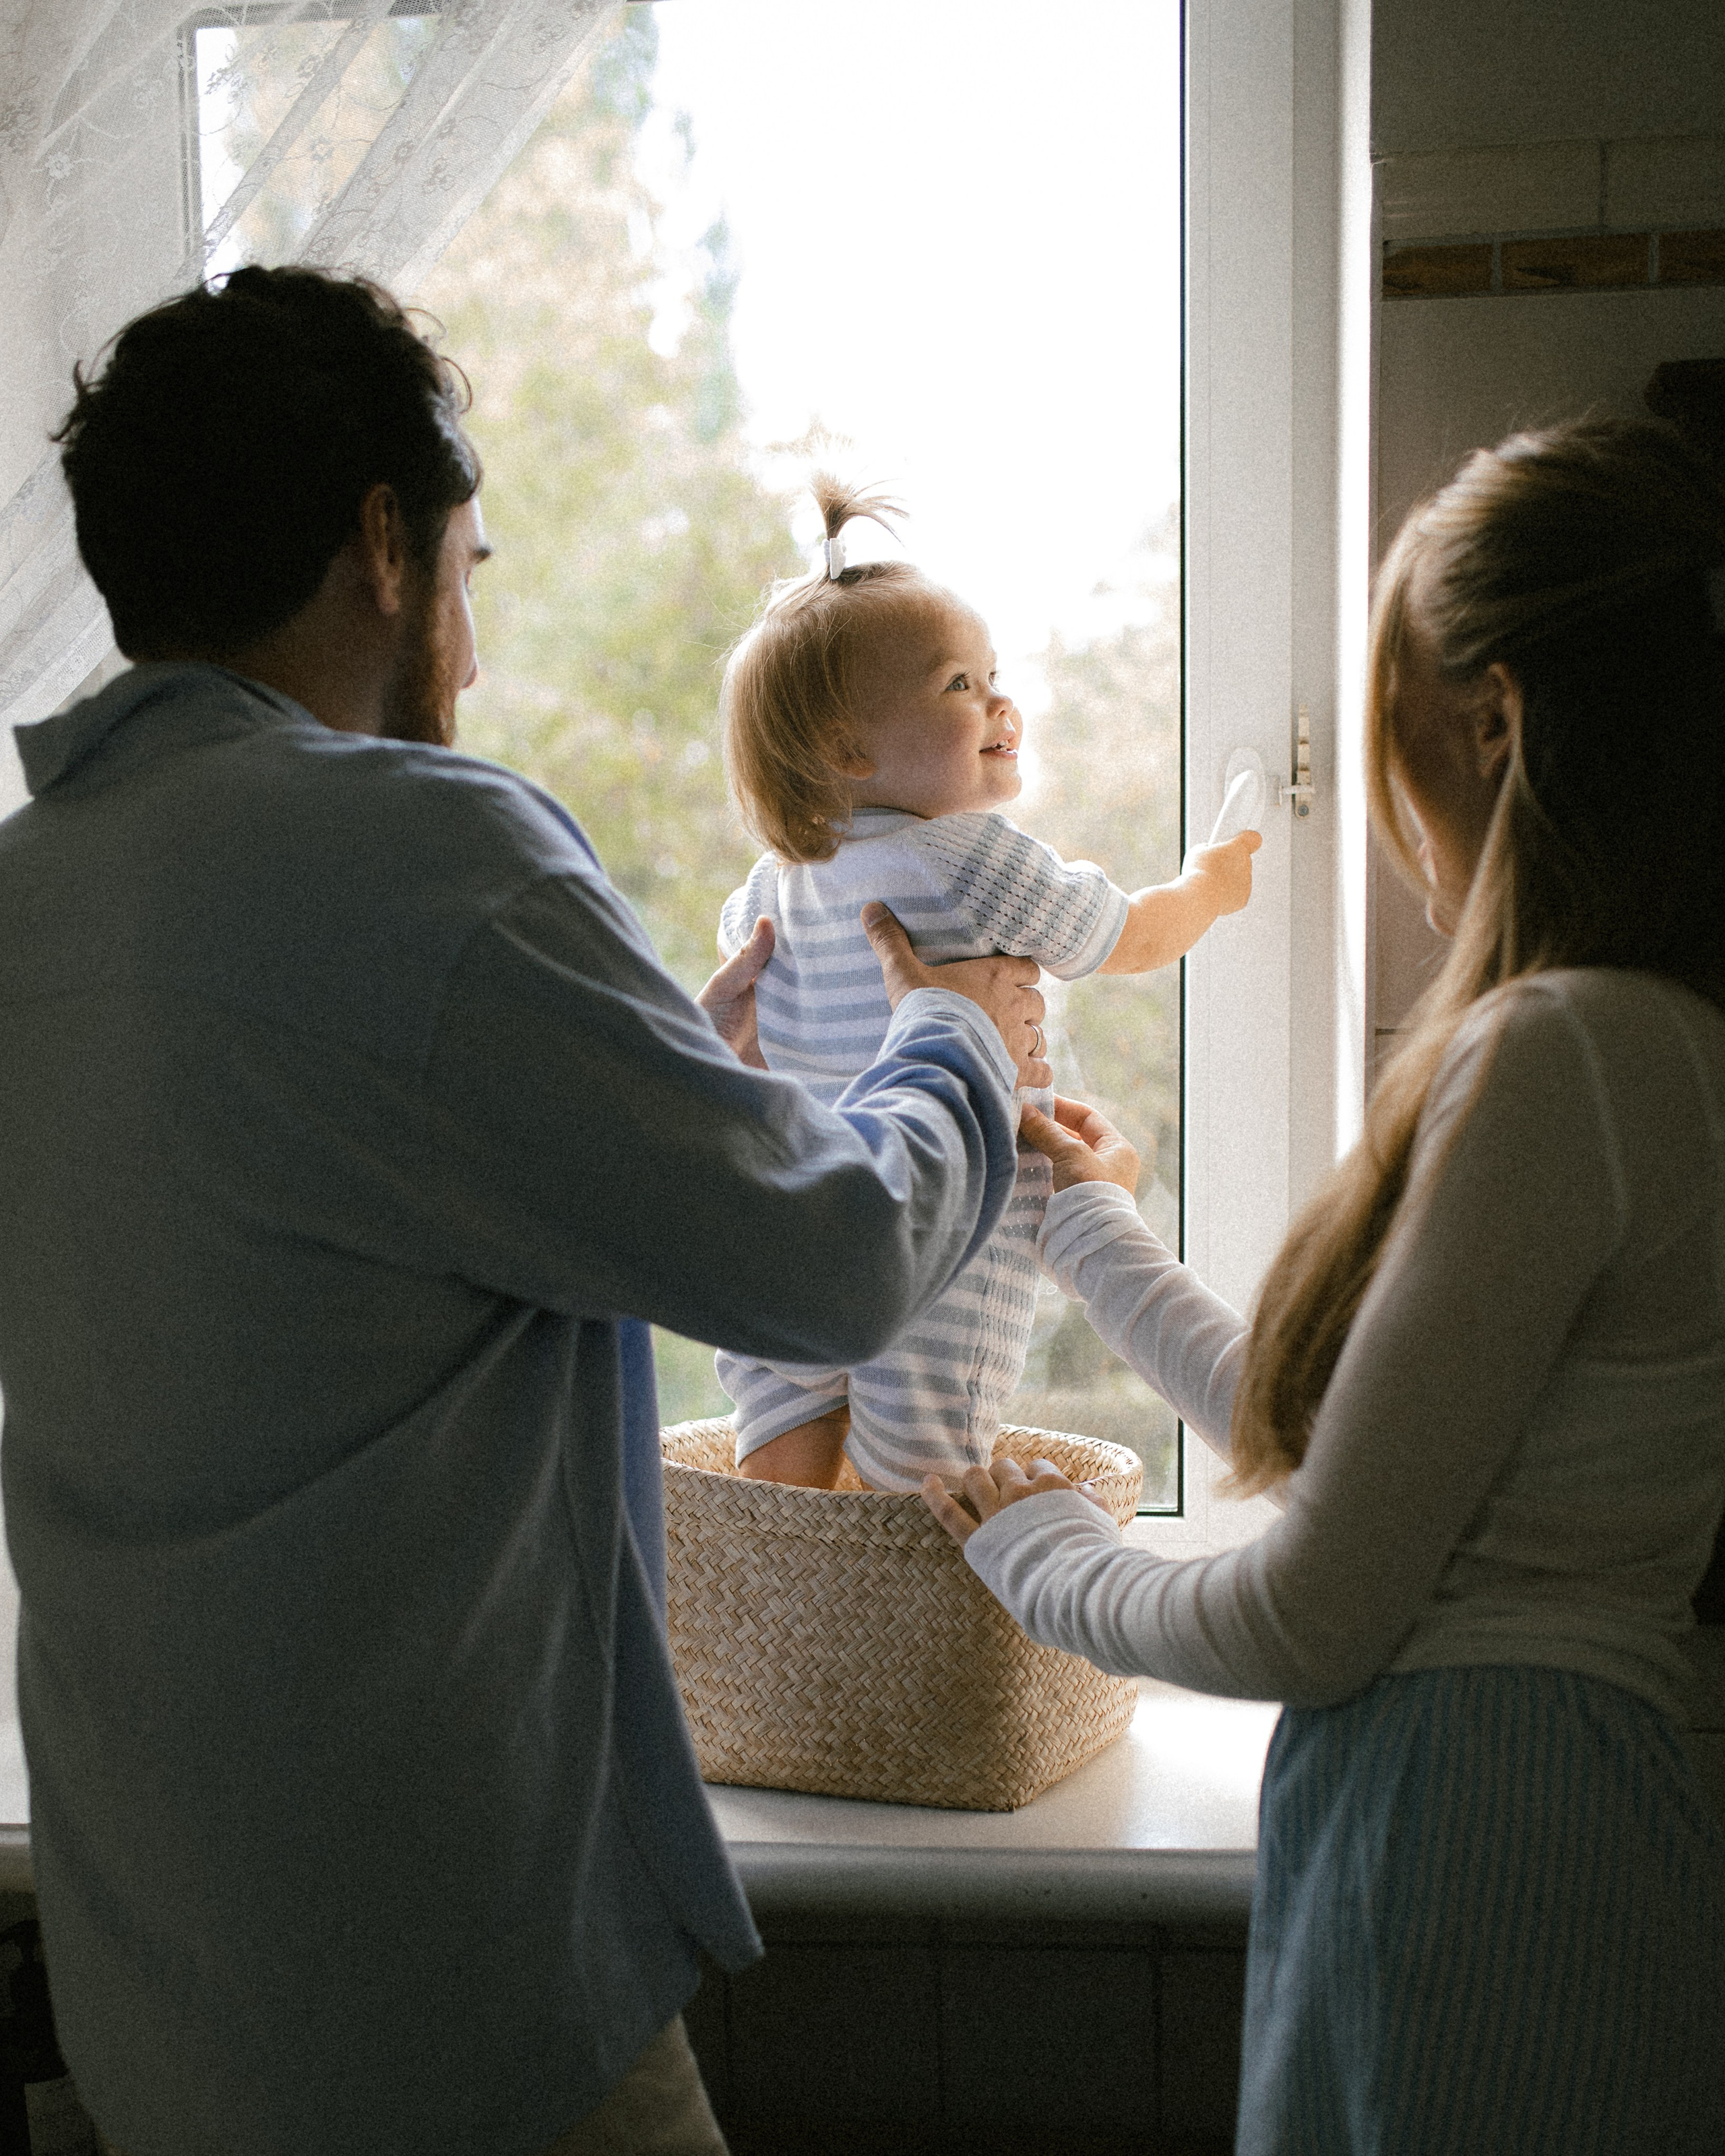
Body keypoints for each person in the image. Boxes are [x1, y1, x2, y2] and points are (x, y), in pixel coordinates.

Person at [0, 266, 1052, 2156]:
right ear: (385, 547)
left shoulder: (31, 900)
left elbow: (286, 1242)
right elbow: (828, 1268)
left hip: (155, 1994)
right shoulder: (430, 858)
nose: (469, 652)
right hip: (444, 2008)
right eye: (471, 571)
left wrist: (659, 1072)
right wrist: (957, 1040)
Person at [925, 420, 1725, 2153]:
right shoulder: (1653, 1049)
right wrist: (1082, 1224)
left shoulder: (1560, 1051)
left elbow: (1312, 1609)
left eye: (1393, 740)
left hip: (1482, 1844)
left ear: (1498, 724)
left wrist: (1038, 1560)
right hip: (1540, 1817)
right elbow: (1350, 1439)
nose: (1384, 811)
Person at [712, 476, 1260, 1491]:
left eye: (993, 674)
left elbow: (753, 1044)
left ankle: (784, 1608)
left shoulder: (765, 892)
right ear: (845, 746)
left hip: (804, 1217)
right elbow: (1126, 937)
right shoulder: (970, 858)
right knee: (922, 1478)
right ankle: (902, 1636)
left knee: (787, 1438)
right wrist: (1208, 887)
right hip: (950, 1226)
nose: (1000, 701)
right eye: (959, 684)